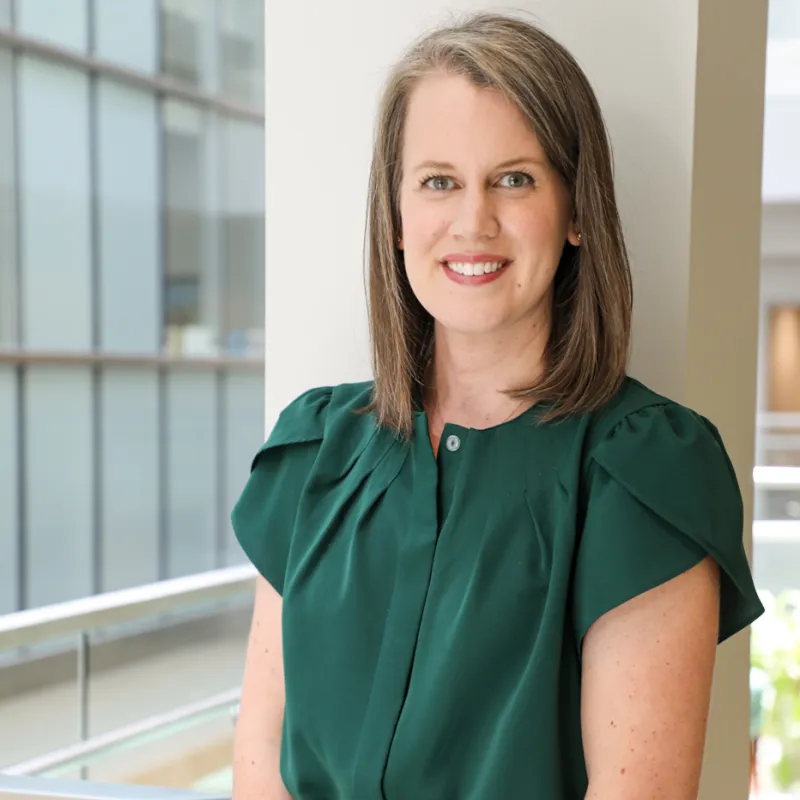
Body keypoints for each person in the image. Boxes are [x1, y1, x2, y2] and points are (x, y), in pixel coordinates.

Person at [231, 12, 764, 800]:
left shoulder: (642, 471)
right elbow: (260, 760)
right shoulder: (312, 455)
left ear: (577, 211)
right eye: (438, 181)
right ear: (398, 218)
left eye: (514, 178)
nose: (472, 222)